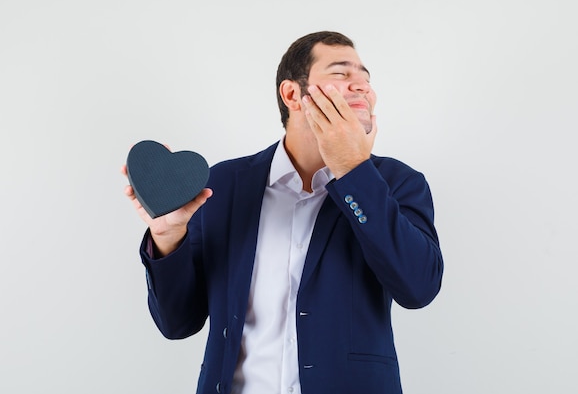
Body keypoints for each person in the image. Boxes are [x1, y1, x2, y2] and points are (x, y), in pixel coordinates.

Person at [122, 31, 443, 394]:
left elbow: (419, 288)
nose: (362, 88)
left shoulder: (398, 183)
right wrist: (167, 238)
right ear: (292, 94)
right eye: (341, 74)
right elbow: (177, 323)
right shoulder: (223, 185)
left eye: (366, 80)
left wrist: (354, 171)